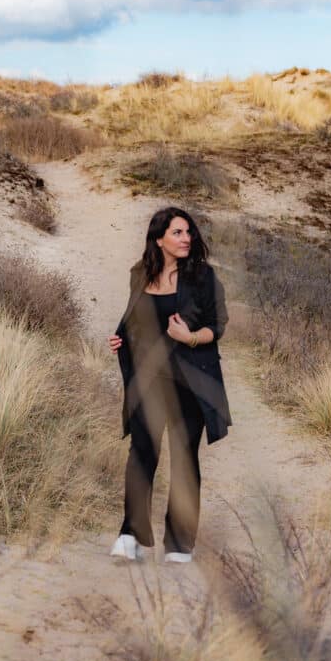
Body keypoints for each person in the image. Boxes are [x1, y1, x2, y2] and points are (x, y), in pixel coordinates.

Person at [107, 206, 231, 563]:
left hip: (189, 382)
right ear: (159, 239)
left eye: (188, 232)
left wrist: (190, 337)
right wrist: (122, 340)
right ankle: (129, 536)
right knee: (142, 454)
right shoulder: (140, 274)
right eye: (178, 232)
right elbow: (134, 318)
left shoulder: (203, 277)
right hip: (148, 381)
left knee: (183, 458)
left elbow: (217, 325)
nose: (186, 238)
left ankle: (179, 544)